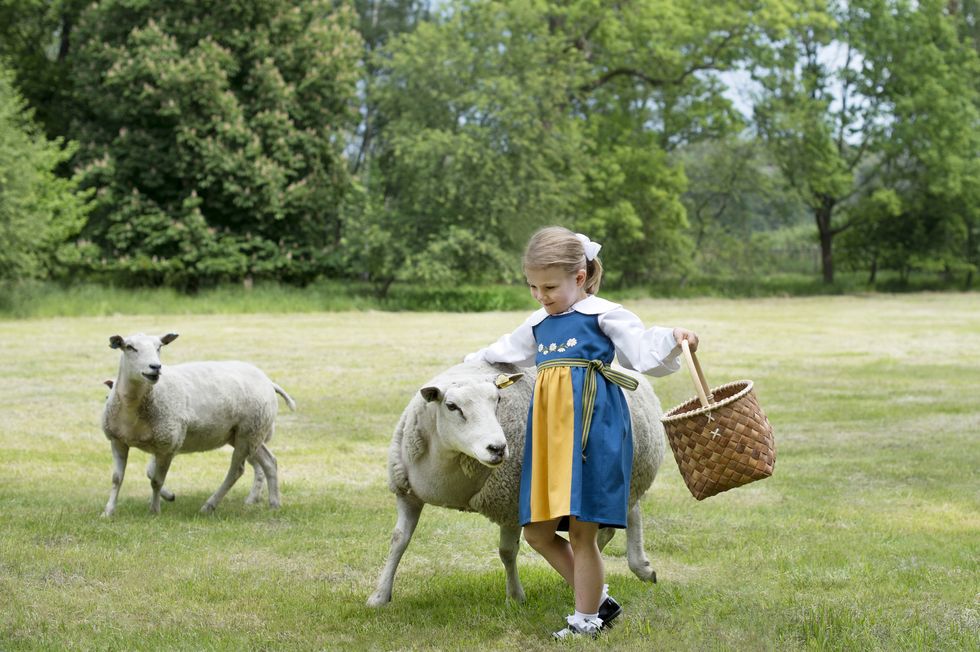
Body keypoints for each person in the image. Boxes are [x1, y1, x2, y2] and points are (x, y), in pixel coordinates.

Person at [464, 226, 698, 639]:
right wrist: (464, 369)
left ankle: (587, 621)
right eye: (533, 286)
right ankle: (598, 599)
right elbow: (499, 353)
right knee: (537, 532)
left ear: (579, 276)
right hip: (551, 438)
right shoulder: (538, 322)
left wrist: (675, 339)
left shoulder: (604, 315)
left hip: (594, 430)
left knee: (581, 530)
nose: (541, 295)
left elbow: (642, 350)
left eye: (549, 286)